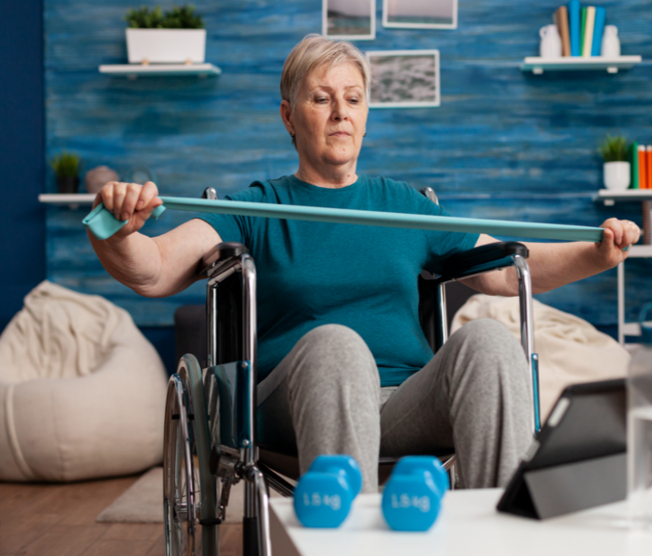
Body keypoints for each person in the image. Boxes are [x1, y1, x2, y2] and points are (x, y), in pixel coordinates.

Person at [88, 34, 640, 492]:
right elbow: (153, 269)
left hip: (403, 403)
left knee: (492, 342)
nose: (340, 113)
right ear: (289, 116)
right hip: (293, 399)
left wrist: (598, 252)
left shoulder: (405, 205)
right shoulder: (254, 207)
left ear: (367, 113)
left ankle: (500, 538)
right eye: (321, 98)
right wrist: (115, 225)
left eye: (352, 99)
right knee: (338, 345)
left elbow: (503, 267)